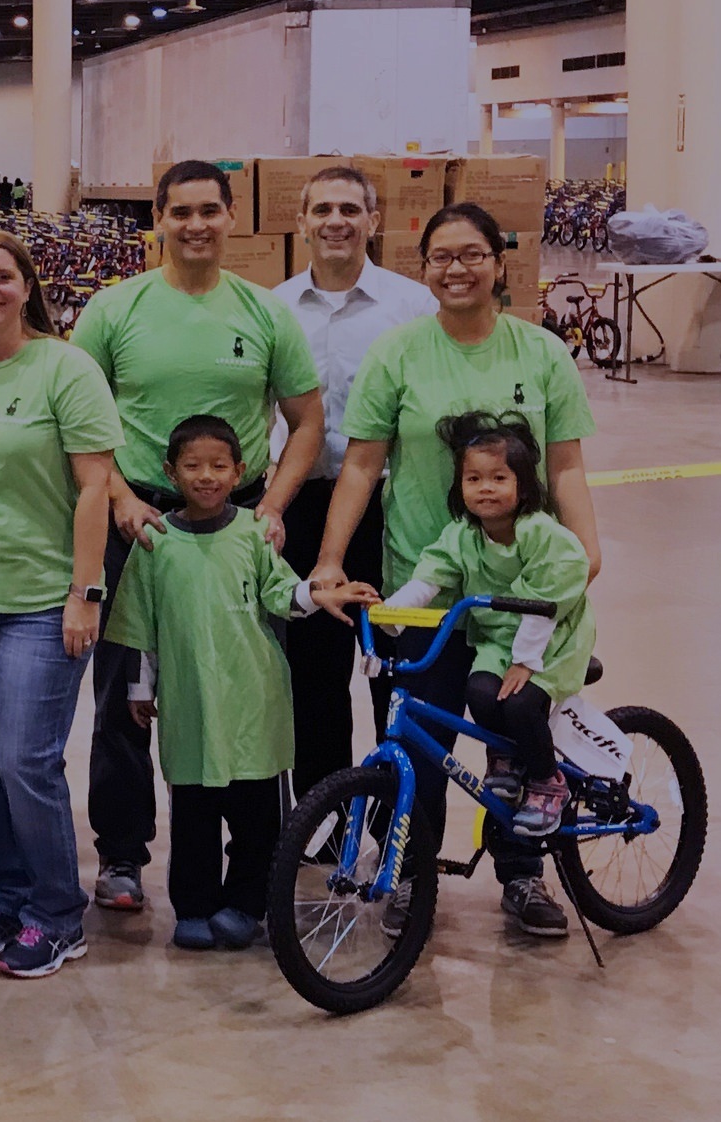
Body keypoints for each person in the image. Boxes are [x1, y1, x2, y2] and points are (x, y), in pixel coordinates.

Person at [311, 202, 600, 936]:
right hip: (425, 581)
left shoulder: (540, 353)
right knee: (416, 741)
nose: (457, 269)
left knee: (514, 736)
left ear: (499, 263)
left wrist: (587, 549)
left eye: (472, 254)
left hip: (520, 587)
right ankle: (411, 878)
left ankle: (524, 874)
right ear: (424, 267)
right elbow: (362, 465)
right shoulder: (398, 353)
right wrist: (331, 559)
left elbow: (565, 464)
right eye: (441, 257)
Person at [69, 159, 327, 914]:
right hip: (139, 525)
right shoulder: (114, 312)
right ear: (159, 218)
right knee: (126, 696)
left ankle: (256, 858)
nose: (196, 225)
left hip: (236, 529)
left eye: (210, 211)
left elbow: (307, 420)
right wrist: (118, 497)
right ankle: (121, 855)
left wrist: (272, 508)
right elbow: (81, 427)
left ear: (230, 217)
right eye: (180, 212)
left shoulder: (265, 312)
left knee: (242, 688)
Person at [0, 228, 120, 981]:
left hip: (43, 602)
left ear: (27, 286)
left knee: (25, 760)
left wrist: (85, 592)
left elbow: (95, 487)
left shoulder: (64, 369)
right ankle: (5, 895)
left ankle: (56, 912)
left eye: (3, 276)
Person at [106, 415, 374, 951]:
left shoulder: (254, 533)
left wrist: (318, 596)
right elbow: (141, 626)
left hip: (254, 703)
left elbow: (283, 595)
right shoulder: (155, 543)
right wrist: (141, 690)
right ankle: (196, 904)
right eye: (193, 466)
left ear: (240, 471)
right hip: (190, 707)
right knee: (194, 816)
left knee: (256, 818)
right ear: (170, 472)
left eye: (219, 466)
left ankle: (247, 903)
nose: (206, 477)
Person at [274, 166, 439, 795]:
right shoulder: (276, 307)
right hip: (308, 505)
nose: (335, 221)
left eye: (350, 209)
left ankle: (397, 822)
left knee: (396, 671)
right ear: (303, 221)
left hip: (396, 507)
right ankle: (326, 815)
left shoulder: (413, 306)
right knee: (312, 674)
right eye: (322, 210)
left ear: (374, 221)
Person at [376, 412, 596, 838]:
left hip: (551, 640)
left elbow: (543, 602)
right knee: (479, 691)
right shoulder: (463, 535)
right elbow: (430, 575)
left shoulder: (540, 534)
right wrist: (392, 611)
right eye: (474, 480)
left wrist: (526, 662)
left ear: (523, 485)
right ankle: (508, 758)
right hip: (500, 637)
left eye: (499, 478)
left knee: (520, 702)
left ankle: (548, 781)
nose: (486, 489)